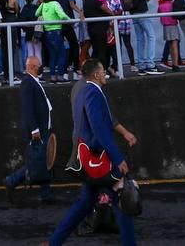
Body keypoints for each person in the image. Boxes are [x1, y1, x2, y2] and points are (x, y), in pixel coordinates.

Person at [47, 59, 136, 246]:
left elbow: (98, 122)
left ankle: (54, 242)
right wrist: (117, 158)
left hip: (88, 158)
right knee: (122, 198)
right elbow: (99, 128)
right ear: (96, 74)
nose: (105, 74)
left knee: (84, 204)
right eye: (103, 71)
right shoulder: (93, 93)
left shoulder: (82, 91)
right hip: (98, 157)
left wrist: (124, 133)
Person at [3, 55, 55, 205]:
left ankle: (46, 193)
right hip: (38, 129)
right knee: (38, 161)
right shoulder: (28, 82)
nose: (41, 68)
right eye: (39, 66)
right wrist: (34, 129)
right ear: (32, 67)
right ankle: (12, 181)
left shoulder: (32, 82)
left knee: (44, 160)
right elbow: (28, 108)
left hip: (42, 127)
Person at [126, 0, 160, 75]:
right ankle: (150, 64)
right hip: (141, 11)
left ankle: (141, 66)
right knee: (151, 36)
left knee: (140, 39)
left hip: (133, 13)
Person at [83, 0, 116, 77]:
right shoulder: (92, 0)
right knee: (101, 51)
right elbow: (104, 8)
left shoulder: (85, 0)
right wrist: (113, 14)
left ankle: (93, 71)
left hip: (92, 29)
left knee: (96, 51)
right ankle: (102, 71)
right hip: (100, 29)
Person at [39, 0, 72, 83]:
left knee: (52, 56)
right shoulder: (55, 3)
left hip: (47, 33)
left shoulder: (43, 4)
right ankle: (60, 77)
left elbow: (36, 13)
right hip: (56, 32)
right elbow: (62, 15)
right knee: (62, 55)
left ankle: (53, 77)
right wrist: (70, 20)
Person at [54, 0, 82, 79]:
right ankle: (75, 72)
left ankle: (63, 73)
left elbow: (40, 0)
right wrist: (80, 12)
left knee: (61, 48)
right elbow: (72, 4)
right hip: (68, 23)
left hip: (57, 24)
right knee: (74, 45)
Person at [156, 0, 181, 70]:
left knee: (170, 43)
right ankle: (175, 64)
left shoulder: (161, 4)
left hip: (166, 24)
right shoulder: (168, 0)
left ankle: (173, 62)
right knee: (174, 43)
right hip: (172, 23)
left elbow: (159, 11)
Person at [114, 0, 136, 70]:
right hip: (127, 21)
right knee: (128, 44)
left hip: (118, 22)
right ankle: (133, 65)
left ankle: (118, 66)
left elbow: (113, 9)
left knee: (118, 45)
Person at [19, 0, 42, 65]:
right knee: (38, 51)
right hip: (37, 32)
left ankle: (31, 69)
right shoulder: (36, 8)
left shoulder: (24, 9)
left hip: (28, 32)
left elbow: (21, 21)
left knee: (30, 52)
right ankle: (39, 69)